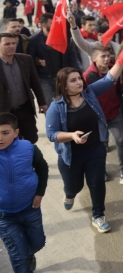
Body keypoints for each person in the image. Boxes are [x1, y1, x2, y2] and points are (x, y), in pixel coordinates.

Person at [45, 61, 123, 233]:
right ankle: (70, 194)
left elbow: (110, 79)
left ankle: (98, 215)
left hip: (95, 149)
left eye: (79, 78)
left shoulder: (89, 93)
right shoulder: (56, 107)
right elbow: (52, 135)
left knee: (97, 183)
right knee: (75, 186)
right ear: (63, 86)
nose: (79, 82)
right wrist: (71, 136)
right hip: (71, 155)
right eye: (73, 80)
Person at [0, 112, 48, 273]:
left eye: (5, 133)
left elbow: (42, 169)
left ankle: (27, 253)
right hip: (4, 216)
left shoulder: (28, 148)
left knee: (38, 243)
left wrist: (39, 193)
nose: (0, 138)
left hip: (30, 208)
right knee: (17, 256)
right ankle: (22, 256)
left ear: (16, 133)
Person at [82, 45, 123, 186]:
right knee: (101, 145)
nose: (106, 59)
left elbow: (117, 87)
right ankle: (102, 169)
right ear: (94, 58)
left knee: (121, 141)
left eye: (108, 56)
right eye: (102, 56)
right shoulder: (88, 75)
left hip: (115, 112)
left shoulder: (113, 69)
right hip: (98, 117)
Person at [0, 33, 47, 144]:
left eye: (13, 43)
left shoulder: (25, 60)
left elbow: (35, 83)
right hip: (5, 112)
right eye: (7, 44)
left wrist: (42, 103)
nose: (11, 46)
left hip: (25, 109)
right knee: (9, 143)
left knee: (31, 139)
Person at [29, 13, 80, 104]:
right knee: (49, 104)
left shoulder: (62, 37)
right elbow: (29, 58)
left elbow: (71, 55)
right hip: (44, 78)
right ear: (44, 25)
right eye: (51, 23)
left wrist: (76, 70)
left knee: (66, 102)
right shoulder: (33, 40)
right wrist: (37, 61)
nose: (55, 25)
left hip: (62, 76)